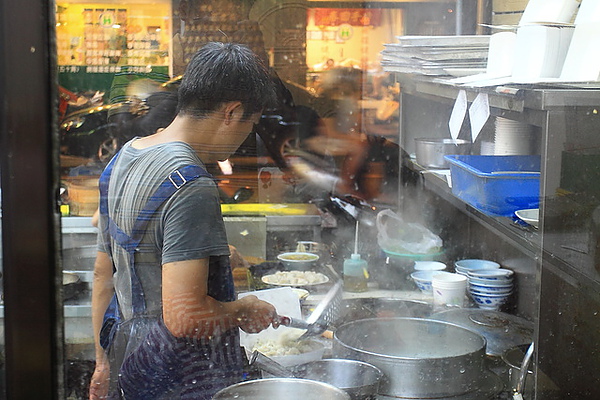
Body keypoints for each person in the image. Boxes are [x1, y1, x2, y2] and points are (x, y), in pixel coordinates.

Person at [89, 42, 279, 400]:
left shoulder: (124, 157)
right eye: (250, 124)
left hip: (128, 360)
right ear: (232, 112)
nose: (245, 138)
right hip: (174, 377)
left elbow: (105, 273)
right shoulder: (191, 183)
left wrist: (102, 363)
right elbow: (186, 317)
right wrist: (243, 310)